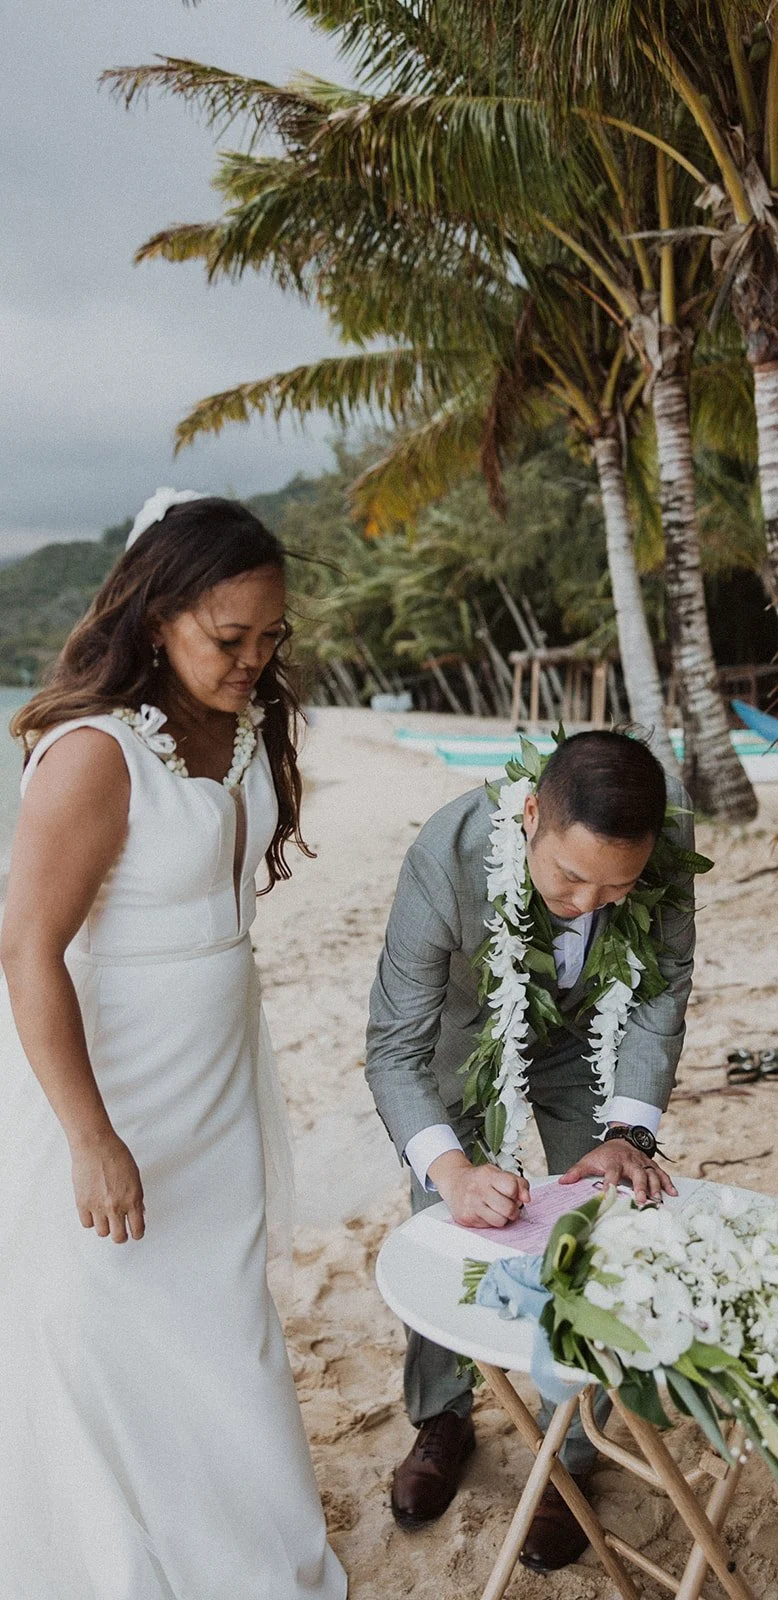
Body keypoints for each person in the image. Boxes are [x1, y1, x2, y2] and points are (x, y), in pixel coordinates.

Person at [0, 491, 347, 1600]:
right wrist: (90, 1137)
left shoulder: (243, 720)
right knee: (105, 1315)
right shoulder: (94, 754)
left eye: (271, 637)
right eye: (229, 638)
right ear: (156, 617)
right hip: (116, 1079)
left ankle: (236, 1546)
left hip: (217, 1073)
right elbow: (25, 949)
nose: (255, 661)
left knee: (221, 1311)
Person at [365, 730, 696, 1572]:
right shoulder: (445, 858)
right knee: (447, 1230)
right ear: (529, 817)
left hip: (590, 1039)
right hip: (463, 1039)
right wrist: (451, 1171)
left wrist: (626, 1134)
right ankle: (443, 1415)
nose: (588, 902)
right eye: (569, 877)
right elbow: (393, 1049)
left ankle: (570, 1453)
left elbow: (659, 996)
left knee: (601, 1230)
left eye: (614, 886)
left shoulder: (664, 837)